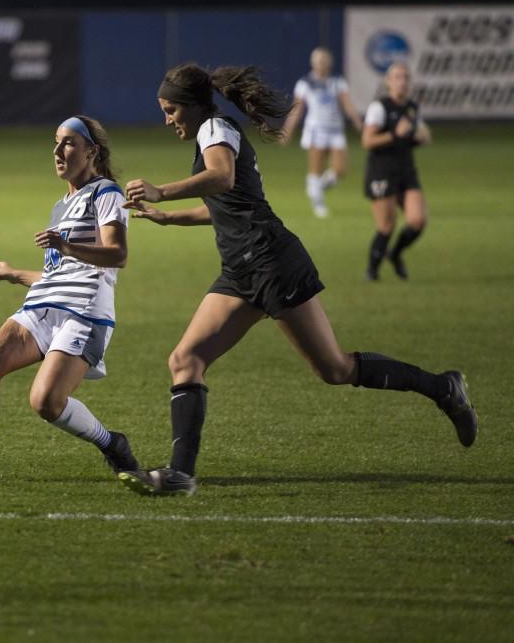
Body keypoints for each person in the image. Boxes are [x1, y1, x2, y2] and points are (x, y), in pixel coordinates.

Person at [117, 63, 476, 496]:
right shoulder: (211, 133)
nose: (167, 118)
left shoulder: (215, 129)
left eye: (171, 109)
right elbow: (229, 204)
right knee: (185, 360)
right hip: (242, 270)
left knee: (335, 369)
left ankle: (442, 387)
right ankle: (180, 475)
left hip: (271, 262)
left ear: (192, 106)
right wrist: (170, 218)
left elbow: (222, 178)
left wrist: (162, 191)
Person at [0, 115, 138, 482]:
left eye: (68, 142)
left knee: (47, 403)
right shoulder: (60, 206)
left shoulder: (106, 194)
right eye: (55, 142)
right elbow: (57, 276)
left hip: (84, 312)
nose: (57, 150)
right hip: (44, 306)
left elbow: (118, 254)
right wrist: (13, 274)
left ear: (91, 151)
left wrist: (67, 245)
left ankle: (112, 443)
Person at [361, 62, 431, 281]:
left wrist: (421, 136)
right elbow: (367, 140)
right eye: (397, 77)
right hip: (382, 171)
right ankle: (372, 271)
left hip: (406, 170)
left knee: (417, 221)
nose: (402, 81)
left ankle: (395, 253)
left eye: (405, 77)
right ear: (388, 82)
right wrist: (395, 134)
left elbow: (423, 133)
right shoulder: (380, 107)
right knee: (386, 226)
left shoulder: (411, 108)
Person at [281, 47, 363, 218]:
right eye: (318, 61)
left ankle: (315, 188)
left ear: (329, 63)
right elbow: (297, 109)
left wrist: (357, 122)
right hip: (316, 130)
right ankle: (318, 204)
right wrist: (288, 129)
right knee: (316, 169)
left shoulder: (337, 81)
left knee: (340, 170)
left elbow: (347, 104)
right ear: (312, 63)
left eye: (324, 61)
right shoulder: (305, 83)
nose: (321, 64)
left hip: (335, 130)